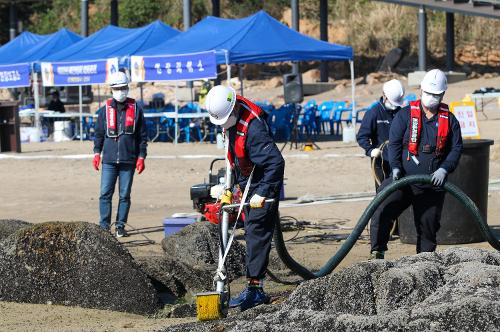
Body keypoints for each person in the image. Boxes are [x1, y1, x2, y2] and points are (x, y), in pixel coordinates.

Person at [205, 85, 285, 311]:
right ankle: (251, 284)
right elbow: (232, 155)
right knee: (250, 230)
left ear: (233, 112)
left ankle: (256, 289)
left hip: (262, 186)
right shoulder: (230, 121)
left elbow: (276, 163)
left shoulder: (254, 130)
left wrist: (263, 192)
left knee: (256, 232)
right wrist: (228, 188)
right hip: (246, 181)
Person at [370, 69, 463, 259]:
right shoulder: (405, 115)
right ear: (421, 90)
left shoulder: (450, 120)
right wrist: (395, 167)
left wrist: (444, 169)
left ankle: (424, 263)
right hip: (402, 179)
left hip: (432, 185)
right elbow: (394, 142)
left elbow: (456, 149)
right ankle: (377, 251)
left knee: (428, 227)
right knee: (381, 207)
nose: (431, 98)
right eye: (428, 93)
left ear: (443, 94)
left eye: (436, 95)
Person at [92, 71, 148, 238]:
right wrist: (96, 153)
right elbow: (99, 134)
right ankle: (104, 226)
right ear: (112, 89)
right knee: (105, 194)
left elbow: (142, 136)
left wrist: (142, 156)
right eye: (117, 88)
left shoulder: (136, 109)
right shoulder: (104, 110)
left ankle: (120, 226)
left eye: (123, 87)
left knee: (124, 195)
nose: (121, 91)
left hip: (128, 160)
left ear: (127, 88)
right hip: (109, 160)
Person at [357, 79, 405, 189]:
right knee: (383, 193)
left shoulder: (402, 113)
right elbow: (362, 136)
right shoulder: (373, 113)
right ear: (384, 95)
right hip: (382, 162)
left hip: (399, 160)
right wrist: (370, 150)